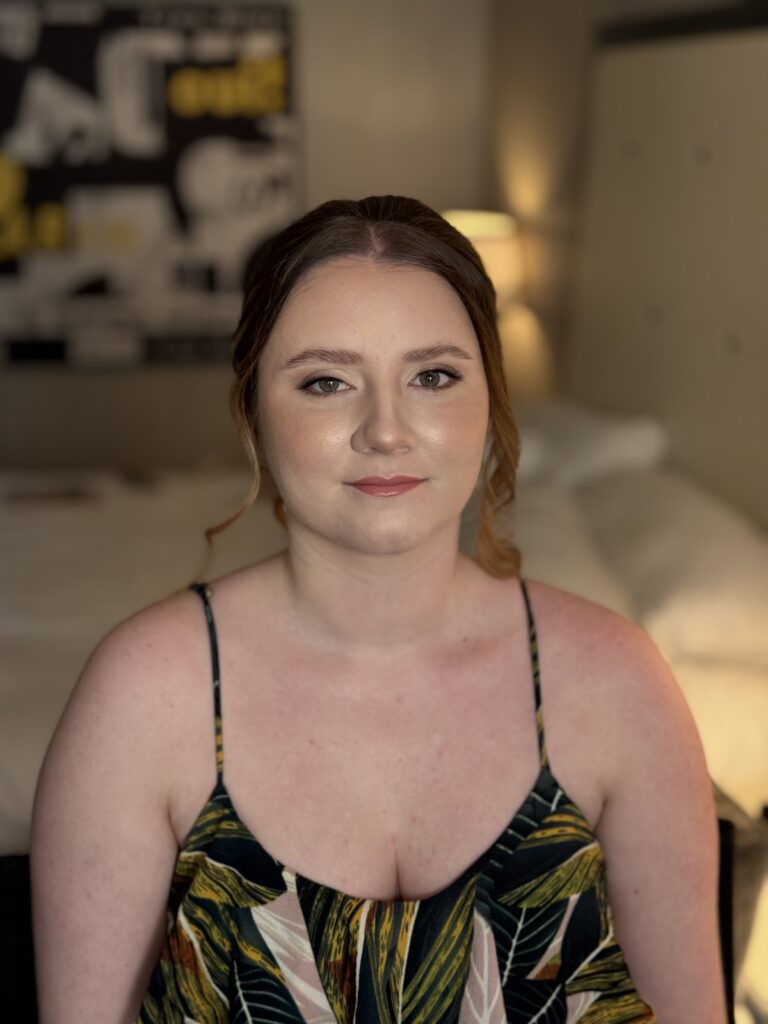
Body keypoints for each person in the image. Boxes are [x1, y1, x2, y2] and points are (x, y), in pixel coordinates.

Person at [30, 195, 726, 1023]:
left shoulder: (617, 682)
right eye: (326, 382)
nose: (386, 431)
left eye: (433, 377)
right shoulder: (142, 696)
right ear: (254, 411)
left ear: (490, 401)